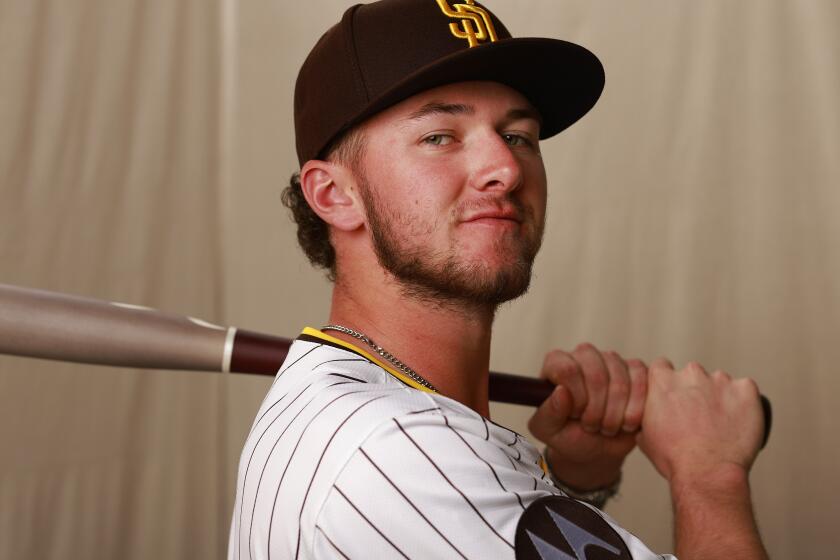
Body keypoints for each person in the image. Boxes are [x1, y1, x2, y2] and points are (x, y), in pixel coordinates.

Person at [229, 1, 769, 558]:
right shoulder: (389, 447)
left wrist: (576, 480)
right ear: (335, 195)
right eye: (440, 136)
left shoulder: (375, 417)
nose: (506, 171)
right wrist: (709, 471)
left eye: (518, 136)